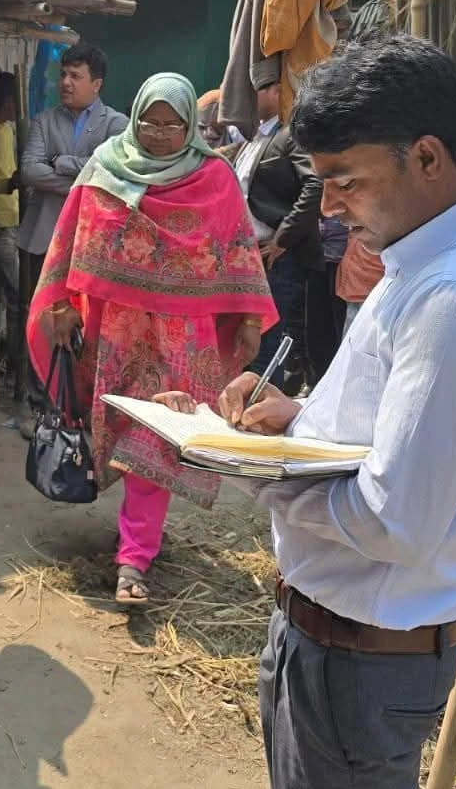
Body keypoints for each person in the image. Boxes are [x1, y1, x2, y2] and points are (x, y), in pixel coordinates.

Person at [156, 35, 456, 789]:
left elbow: (391, 520)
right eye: (322, 181)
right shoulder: (427, 258)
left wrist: (248, 466)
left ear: (429, 157)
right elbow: (392, 436)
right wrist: (298, 420)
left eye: (346, 180)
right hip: (334, 645)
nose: (331, 206)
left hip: (360, 662)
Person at [29, 73, 277, 605]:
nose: (159, 133)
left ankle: (133, 558)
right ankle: (134, 536)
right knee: (114, 430)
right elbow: (69, 239)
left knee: (157, 440)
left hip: (180, 339)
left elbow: (237, 249)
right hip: (112, 331)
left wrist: (252, 320)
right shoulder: (104, 166)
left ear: (190, 126)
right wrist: (60, 303)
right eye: (149, 120)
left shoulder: (214, 178)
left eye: (172, 124)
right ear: (134, 115)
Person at [233, 80, 326, 392]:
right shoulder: (254, 138)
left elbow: (315, 185)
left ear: (275, 92)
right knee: (249, 342)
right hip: (249, 257)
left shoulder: (290, 136)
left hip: (277, 260)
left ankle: (261, 413)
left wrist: (281, 240)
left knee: (266, 344)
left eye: (257, 88)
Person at [15, 43, 126, 276]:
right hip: (46, 238)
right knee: (42, 311)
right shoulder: (44, 121)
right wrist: (87, 184)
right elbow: (30, 171)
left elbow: (111, 173)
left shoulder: (116, 124)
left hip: (94, 240)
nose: (65, 82)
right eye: (63, 74)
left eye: (75, 76)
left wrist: (59, 161)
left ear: (97, 84)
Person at [0, 71, 22, 365]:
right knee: (16, 292)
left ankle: (8, 356)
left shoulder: (9, 130)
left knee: (6, 293)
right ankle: (11, 358)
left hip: (12, 220)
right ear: (8, 101)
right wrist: (10, 183)